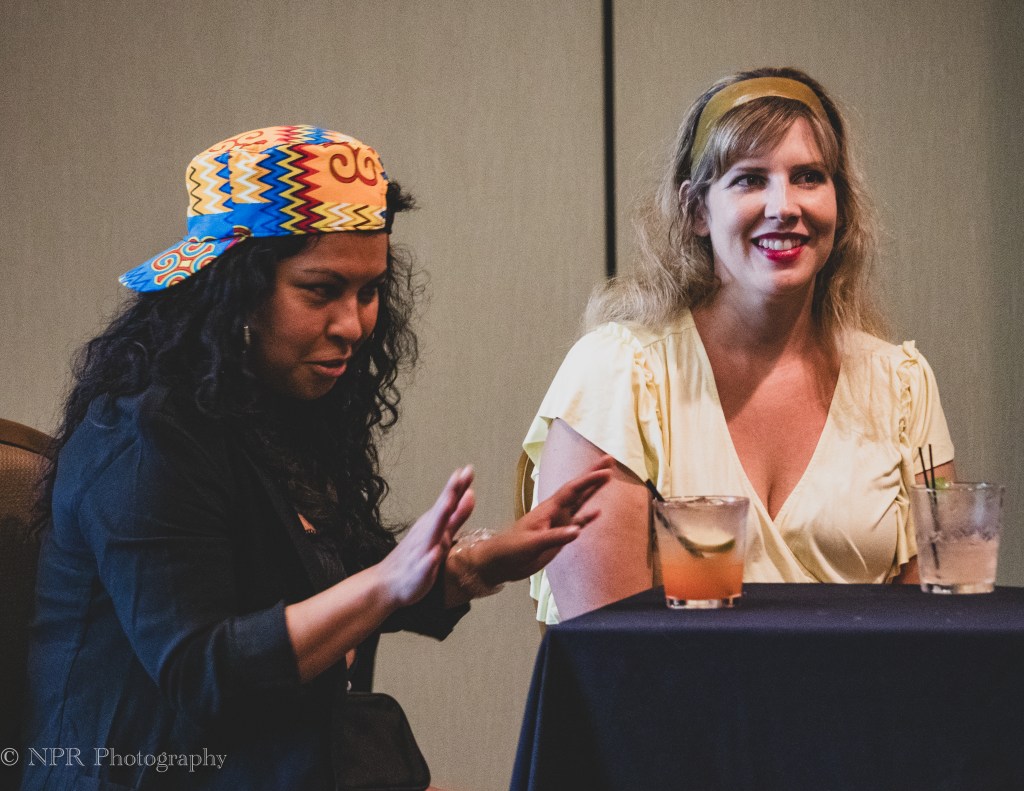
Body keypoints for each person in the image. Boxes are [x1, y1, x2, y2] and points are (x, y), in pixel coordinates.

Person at [21, 125, 611, 789]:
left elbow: (337, 581)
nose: (353, 324)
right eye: (321, 290)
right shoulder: (143, 434)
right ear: (234, 288)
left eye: (368, 291)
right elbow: (205, 674)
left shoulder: (271, 403)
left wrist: (474, 563)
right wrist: (386, 582)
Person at [524, 67, 955, 624]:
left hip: (866, 685)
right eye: (750, 179)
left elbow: (936, 632)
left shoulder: (903, 385)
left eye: (809, 177)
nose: (784, 206)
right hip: (671, 684)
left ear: (841, 205)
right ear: (696, 211)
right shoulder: (616, 375)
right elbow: (608, 646)